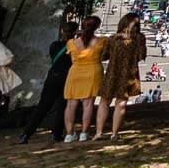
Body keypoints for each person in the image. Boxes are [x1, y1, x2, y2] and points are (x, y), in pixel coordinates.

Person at [18, 21, 78, 143]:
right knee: (62, 107)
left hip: (53, 77)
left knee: (42, 107)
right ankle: (56, 134)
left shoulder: (54, 45)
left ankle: (26, 133)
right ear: (75, 32)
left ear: (62, 31)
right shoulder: (76, 46)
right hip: (67, 78)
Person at [98, 12, 147, 140]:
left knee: (104, 102)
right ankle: (114, 133)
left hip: (111, 72)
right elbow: (142, 56)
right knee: (121, 103)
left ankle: (99, 132)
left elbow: (104, 56)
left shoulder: (113, 38)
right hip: (128, 74)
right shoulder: (139, 38)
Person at [61, 16, 107, 142]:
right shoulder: (101, 41)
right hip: (93, 71)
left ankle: (69, 134)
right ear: (97, 27)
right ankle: (84, 133)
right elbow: (105, 56)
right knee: (88, 104)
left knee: (70, 105)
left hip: (75, 72)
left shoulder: (71, 43)